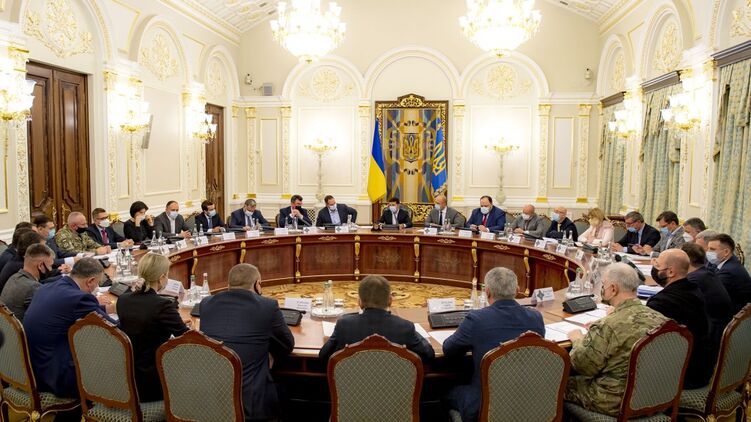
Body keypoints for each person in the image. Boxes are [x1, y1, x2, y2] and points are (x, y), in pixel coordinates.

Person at [565, 263, 668, 416]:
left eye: (603, 285)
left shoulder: (608, 325)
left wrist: (577, 339)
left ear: (613, 289)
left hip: (614, 401)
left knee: (555, 383)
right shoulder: (662, 320)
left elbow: (582, 366)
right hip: (656, 397)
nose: (602, 288)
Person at [443, 267, 544, 422]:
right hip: (530, 403)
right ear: (517, 290)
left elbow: (449, 349)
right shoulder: (535, 317)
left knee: (442, 392)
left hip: (485, 406)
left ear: (487, 292)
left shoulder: (477, 319)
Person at [200, 264, 294, 421]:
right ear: (257, 284)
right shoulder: (268, 306)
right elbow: (287, 345)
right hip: (250, 404)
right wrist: (269, 352)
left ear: (228, 284)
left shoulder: (206, 304)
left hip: (211, 399)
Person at [23, 258, 116, 398]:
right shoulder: (79, 298)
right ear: (90, 281)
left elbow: (73, 309)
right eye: (97, 283)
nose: (96, 287)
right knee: (113, 352)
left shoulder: (48, 287)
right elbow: (114, 330)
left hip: (36, 368)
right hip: (59, 377)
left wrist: (107, 308)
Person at [116, 253, 190, 401]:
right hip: (154, 381)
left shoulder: (123, 300)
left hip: (127, 378)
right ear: (162, 277)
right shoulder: (162, 305)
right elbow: (186, 339)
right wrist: (187, 327)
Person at [319, 275, 433, 361]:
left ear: (359, 302)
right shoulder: (405, 327)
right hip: (395, 385)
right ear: (390, 301)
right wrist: (415, 333)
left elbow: (323, 355)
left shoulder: (344, 325)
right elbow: (429, 355)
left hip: (351, 385)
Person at [647, 249, 713, 389]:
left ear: (670, 272)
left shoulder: (662, 302)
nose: (654, 268)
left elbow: (645, 343)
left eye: (657, 265)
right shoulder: (694, 289)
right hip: (700, 366)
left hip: (680, 376)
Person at [681, 243, 733, 347]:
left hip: (709, 338)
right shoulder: (706, 272)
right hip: (718, 330)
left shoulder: (694, 280)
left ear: (686, 261)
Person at [0, 244, 55, 321]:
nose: (51, 269)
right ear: (40, 265)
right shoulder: (33, 287)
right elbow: (49, 314)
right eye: (50, 266)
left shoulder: (13, 277)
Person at [707, 234, 751, 315]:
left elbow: (711, 295)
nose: (708, 252)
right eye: (708, 249)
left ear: (726, 252)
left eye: (712, 249)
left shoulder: (728, 271)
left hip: (732, 316)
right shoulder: (726, 262)